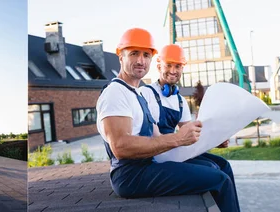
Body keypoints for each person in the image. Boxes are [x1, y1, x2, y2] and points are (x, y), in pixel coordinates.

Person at [96, 28, 240, 212]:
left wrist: (211, 139)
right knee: (220, 180)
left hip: (147, 165)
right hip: (130, 176)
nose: (141, 60)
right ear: (120, 56)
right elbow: (120, 146)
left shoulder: (136, 95)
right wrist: (178, 138)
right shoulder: (115, 93)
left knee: (219, 168)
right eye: (134, 53)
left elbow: (156, 135)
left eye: (146, 55)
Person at [138, 43, 235, 189]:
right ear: (159, 67)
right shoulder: (146, 94)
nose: (173, 70)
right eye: (168, 65)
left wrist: (215, 140)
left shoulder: (180, 101)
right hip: (156, 157)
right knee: (212, 167)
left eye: (177, 66)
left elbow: (191, 136)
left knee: (223, 165)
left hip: (174, 152)